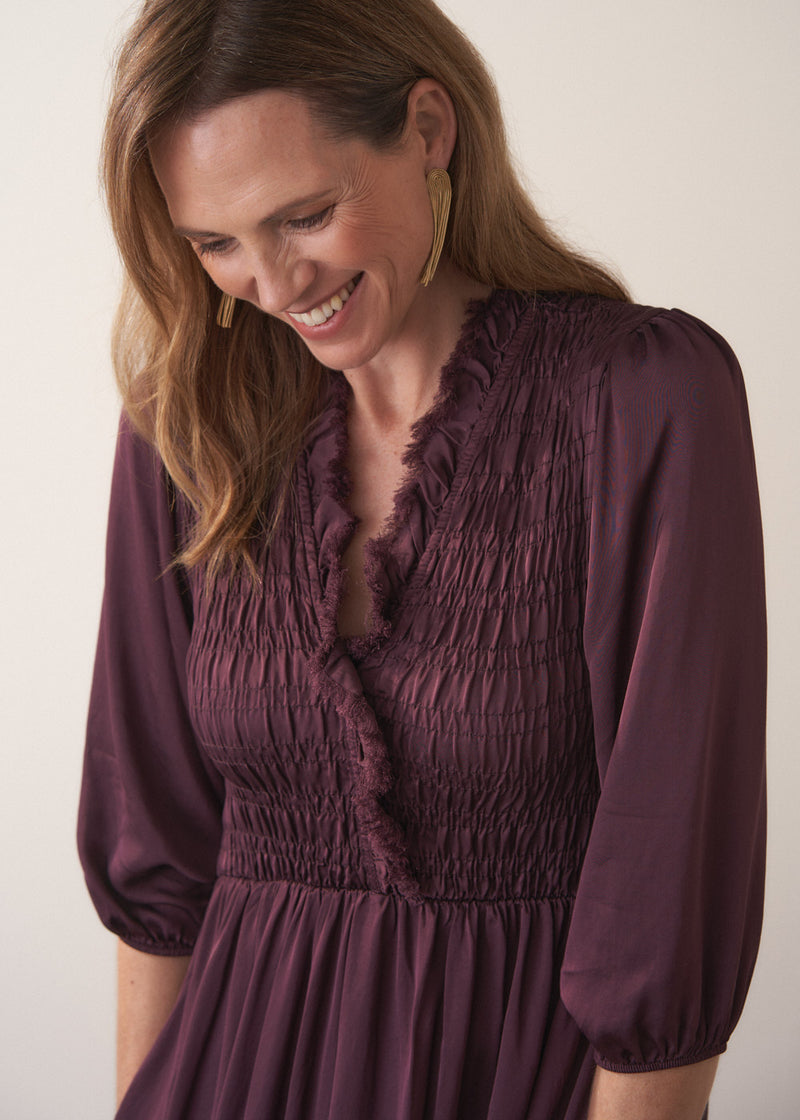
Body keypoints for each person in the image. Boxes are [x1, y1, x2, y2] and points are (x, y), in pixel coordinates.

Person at [77, 1, 767, 1117]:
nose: (271, 281)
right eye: (214, 242)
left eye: (302, 214)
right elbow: (158, 863)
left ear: (430, 127)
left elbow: (665, 884)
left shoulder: (641, 402)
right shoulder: (185, 425)